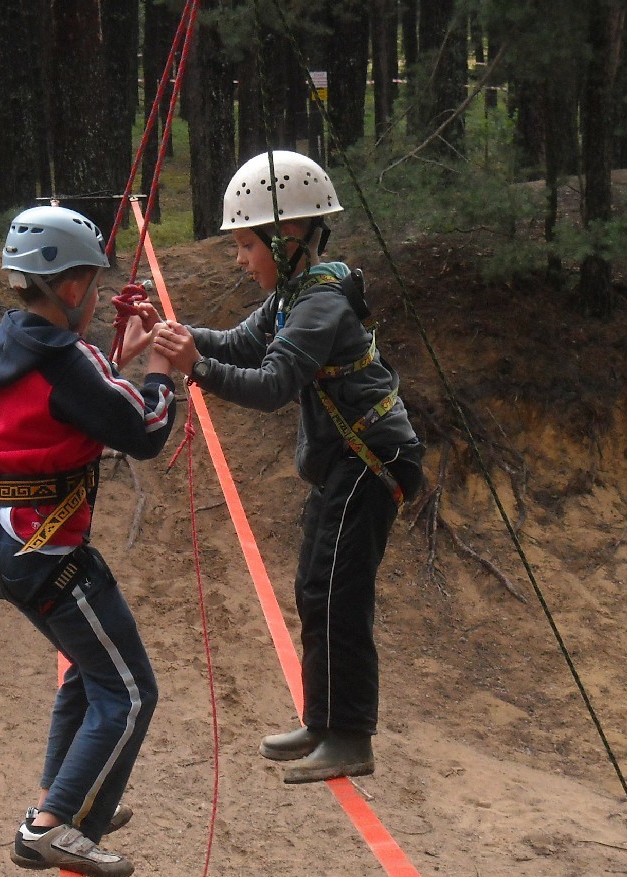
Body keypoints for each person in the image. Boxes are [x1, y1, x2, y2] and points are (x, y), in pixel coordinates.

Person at [154, 150, 425, 784]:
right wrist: (173, 333)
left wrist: (196, 367)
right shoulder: (293, 296)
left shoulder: (319, 304)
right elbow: (239, 344)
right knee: (314, 588)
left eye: (248, 245)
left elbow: (273, 383)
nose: (240, 260)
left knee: (339, 593)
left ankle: (350, 736)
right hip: (346, 462)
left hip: (371, 459)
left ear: (289, 236)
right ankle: (323, 722)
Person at [0, 205, 177, 877]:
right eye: (92, 284)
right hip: (49, 553)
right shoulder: (67, 358)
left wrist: (120, 358)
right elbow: (143, 431)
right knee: (130, 690)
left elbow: (77, 399)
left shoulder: (17, 341)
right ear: (69, 287)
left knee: (91, 675)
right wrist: (161, 369)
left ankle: (64, 798)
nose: (95, 296)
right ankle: (52, 826)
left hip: (11, 544)